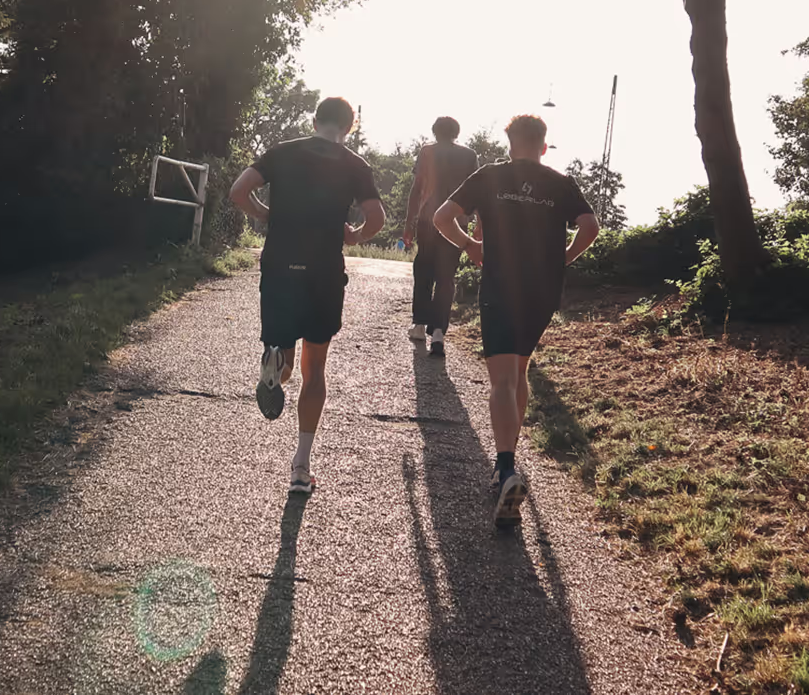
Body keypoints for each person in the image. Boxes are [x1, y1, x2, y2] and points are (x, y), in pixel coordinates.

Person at [433, 114, 600, 528]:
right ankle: (507, 459)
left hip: (501, 284)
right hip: (543, 289)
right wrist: (563, 258)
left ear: (510, 145)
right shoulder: (560, 183)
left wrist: (470, 245)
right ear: (544, 146)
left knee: (503, 380)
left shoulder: (490, 176)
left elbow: (441, 217)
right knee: (520, 368)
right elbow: (590, 226)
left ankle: (505, 467)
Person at [229, 96, 385, 496]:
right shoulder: (355, 164)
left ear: (314, 121)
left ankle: (274, 362)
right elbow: (377, 218)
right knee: (314, 369)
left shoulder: (282, 152)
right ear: (349, 128)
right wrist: (354, 236)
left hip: (280, 267)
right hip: (323, 272)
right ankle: (301, 466)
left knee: (283, 357)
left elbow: (239, 191)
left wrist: (265, 214)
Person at [403, 116, 479, 357]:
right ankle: (438, 333)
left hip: (428, 219)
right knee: (446, 277)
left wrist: (408, 223)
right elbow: (475, 193)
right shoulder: (469, 155)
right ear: (457, 132)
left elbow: (417, 188)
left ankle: (419, 324)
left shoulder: (427, 151)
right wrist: (478, 225)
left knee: (423, 271)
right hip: (456, 223)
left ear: (435, 131)